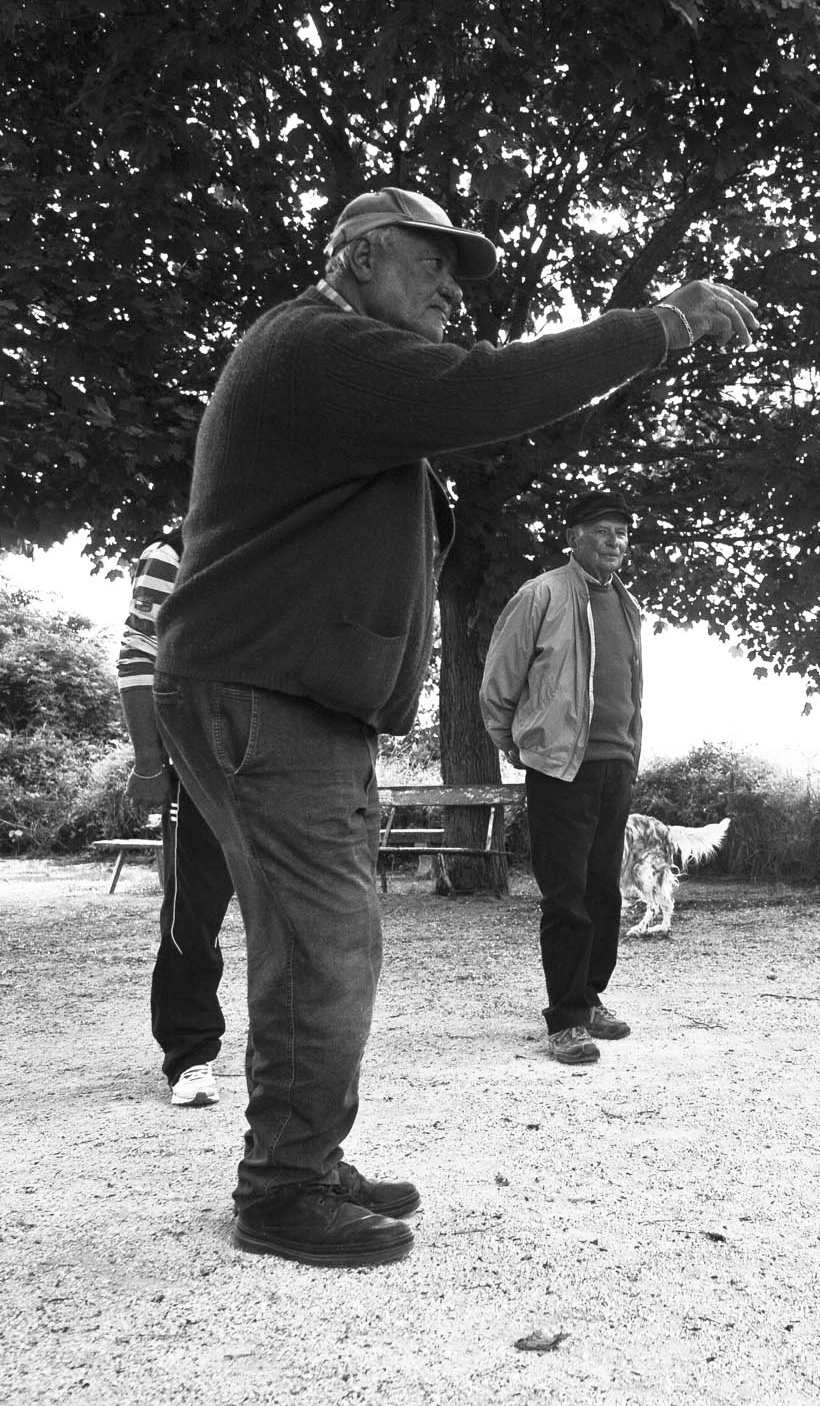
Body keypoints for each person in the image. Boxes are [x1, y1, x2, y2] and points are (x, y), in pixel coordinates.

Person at [153, 184, 758, 1268]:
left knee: (331, 935)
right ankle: (283, 1189)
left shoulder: (332, 371)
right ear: (360, 254)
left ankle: (306, 1155)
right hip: (261, 693)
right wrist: (659, 325)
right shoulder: (318, 347)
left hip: (283, 696)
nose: (450, 288)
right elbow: (489, 389)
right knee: (322, 937)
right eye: (431, 262)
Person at [480, 490, 644, 1066]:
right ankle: (567, 1019)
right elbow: (498, 685)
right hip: (559, 767)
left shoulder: (627, 605)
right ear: (573, 536)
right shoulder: (541, 594)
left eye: (622, 533)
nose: (615, 542)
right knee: (566, 893)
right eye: (602, 531)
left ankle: (592, 996)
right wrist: (523, 748)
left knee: (604, 889)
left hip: (614, 765)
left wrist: (629, 752)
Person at [117, 533, 234, 1108]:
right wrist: (148, 760)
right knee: (193, 910)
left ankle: (298, 1055)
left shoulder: (303, 533)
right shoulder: (179, 549)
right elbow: (139, 654)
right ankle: (190, 1054)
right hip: (199, 761)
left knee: (302, 915)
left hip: (287, 758)